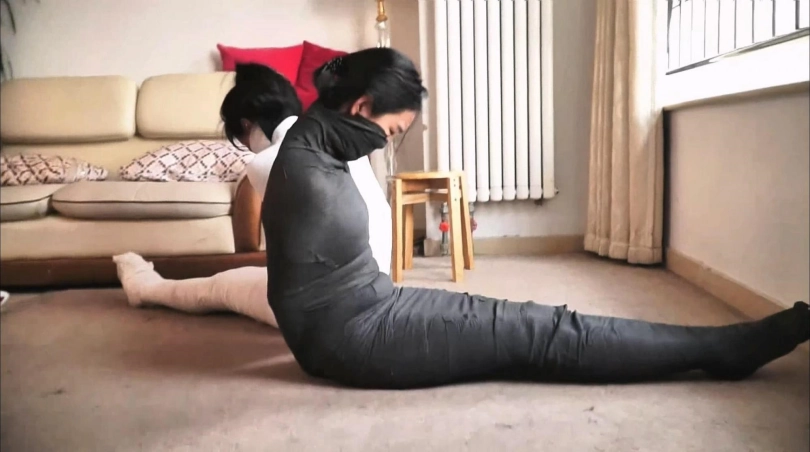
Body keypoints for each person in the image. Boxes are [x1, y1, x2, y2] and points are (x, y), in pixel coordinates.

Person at [261, 47, 809, 390]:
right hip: (356, 340)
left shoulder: (317, 146)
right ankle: (720, 351)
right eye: (391, 131)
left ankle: (716, 347)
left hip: (371, 310)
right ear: (361, 108)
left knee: (531, 322)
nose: (385, 143)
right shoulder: (304, 172)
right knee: (542, 334)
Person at [113, 63, 392, 328]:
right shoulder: (344, 141)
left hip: (322, 312)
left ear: (247, 125)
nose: (246, 148)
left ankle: (146, 288)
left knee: (218, 286)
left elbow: (288, 259)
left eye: (241, 139)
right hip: (378, 290)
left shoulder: (266, 162)